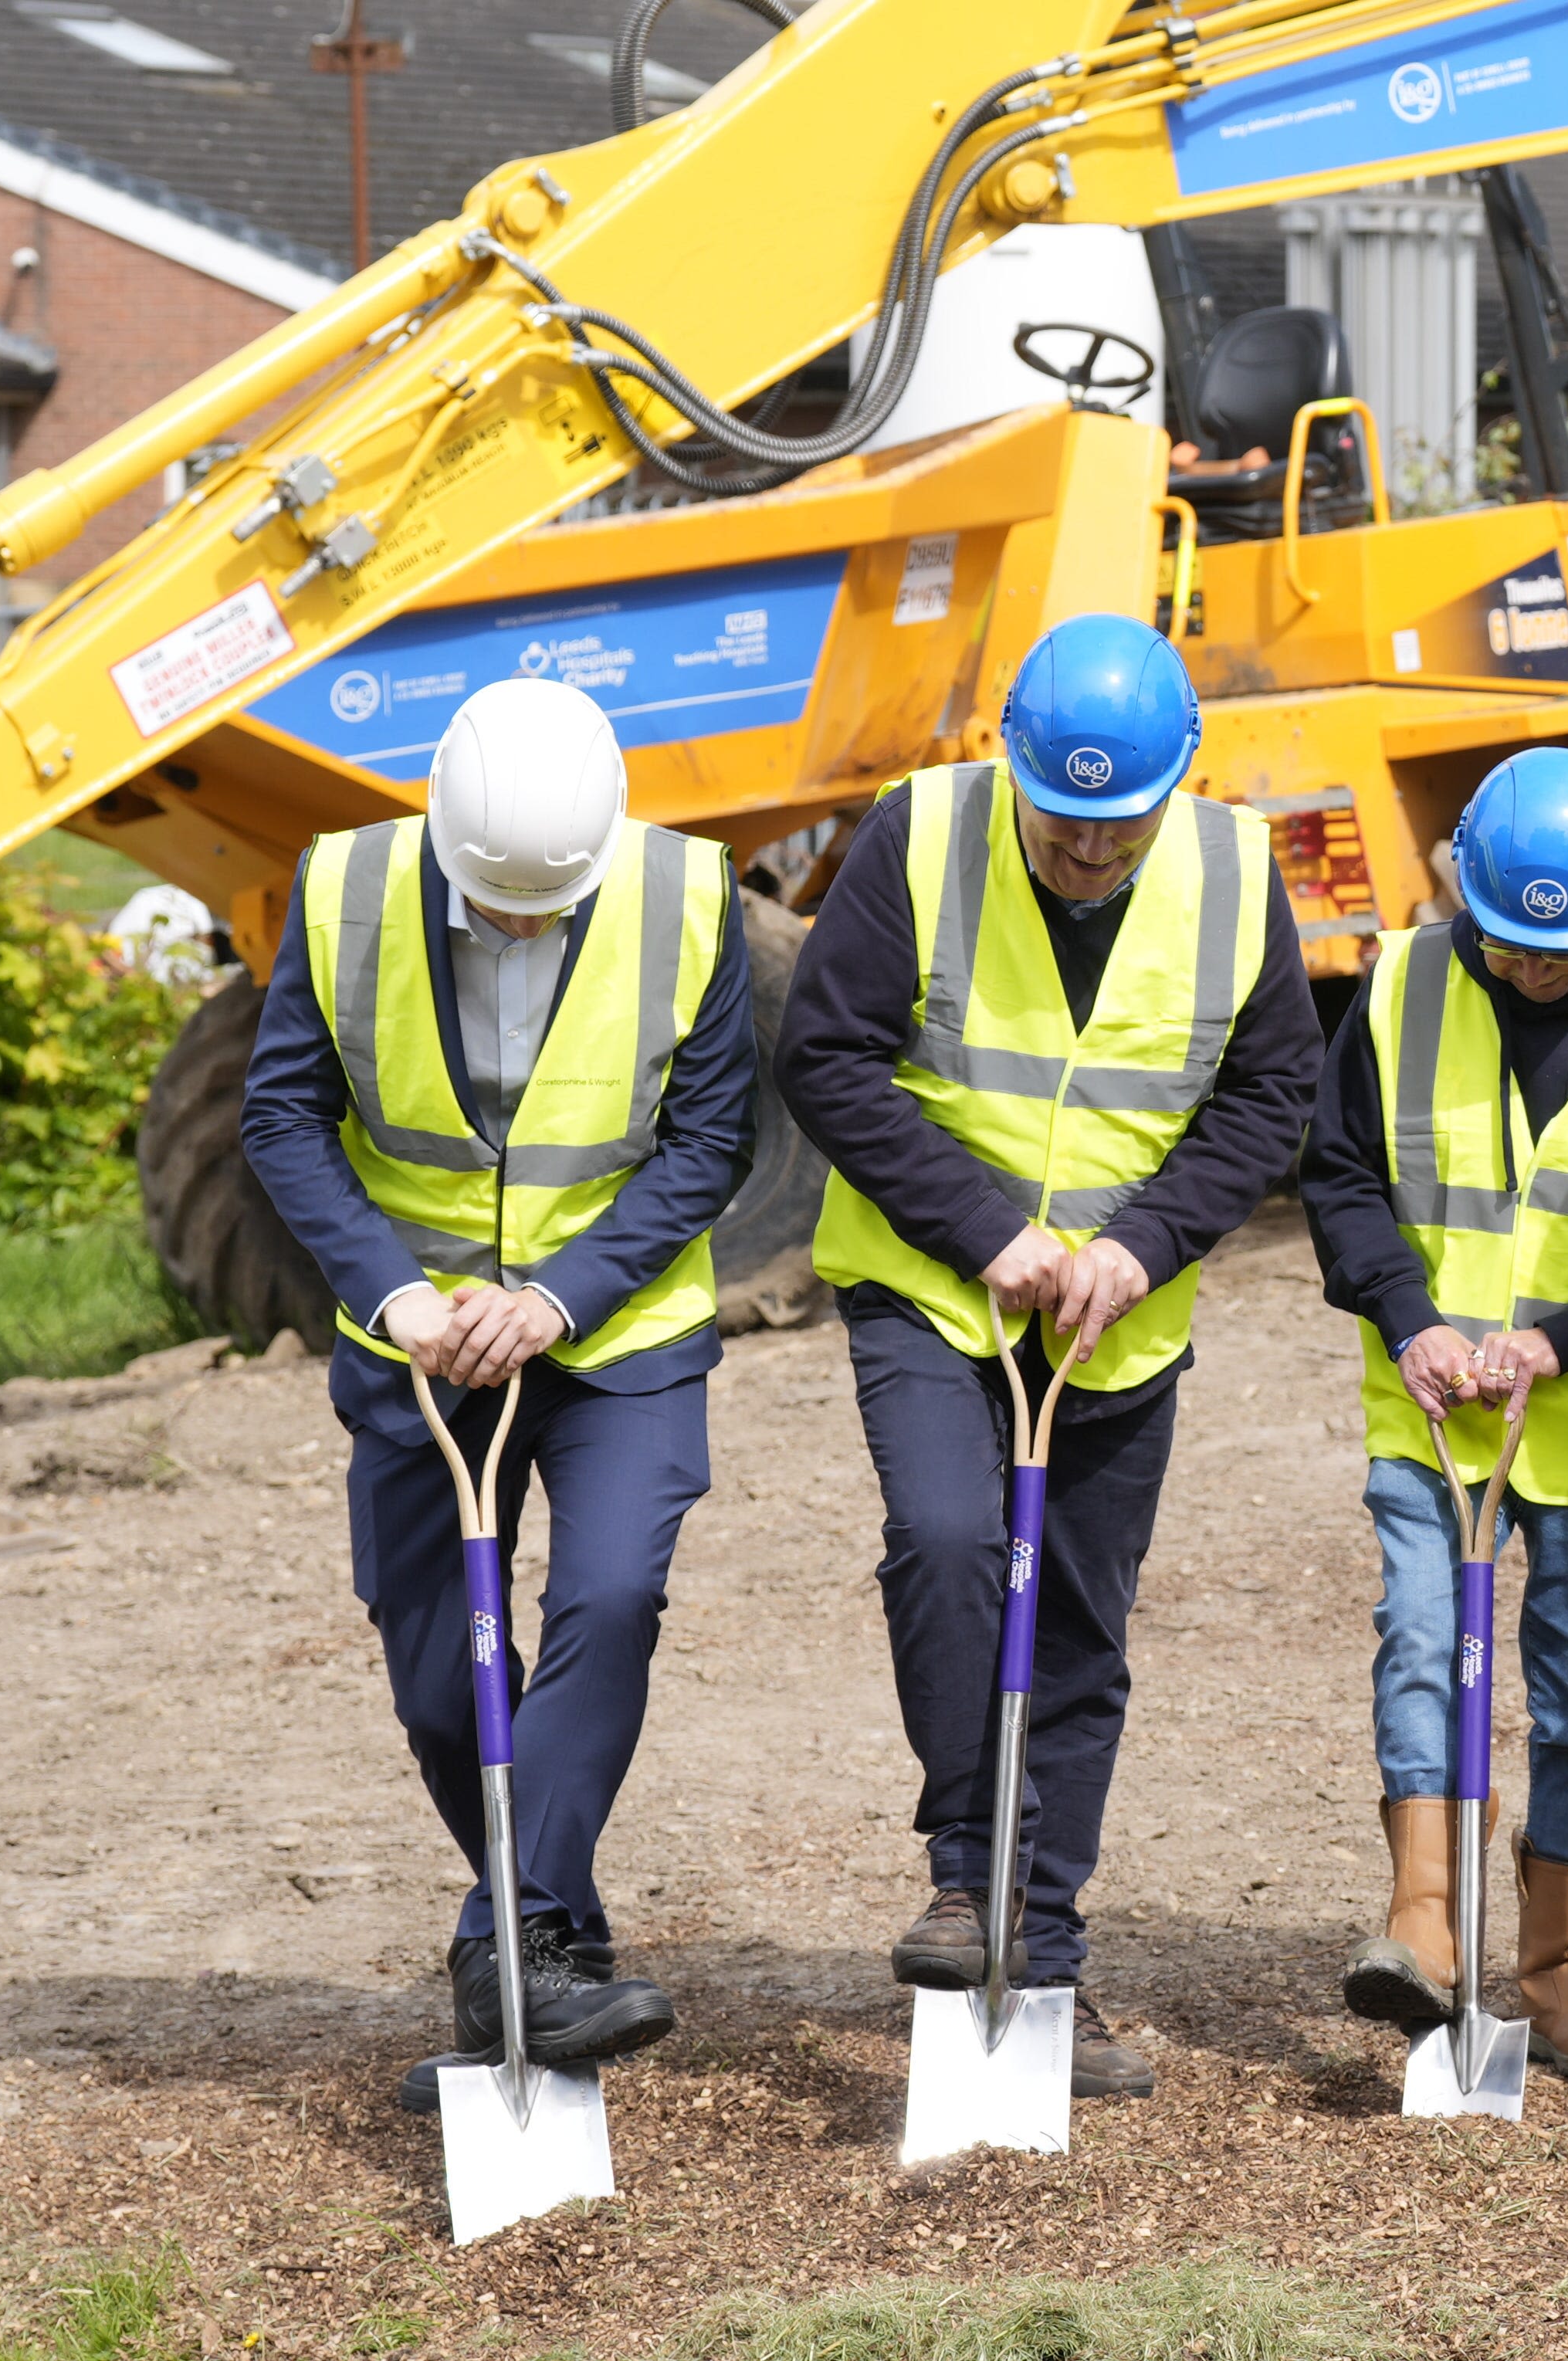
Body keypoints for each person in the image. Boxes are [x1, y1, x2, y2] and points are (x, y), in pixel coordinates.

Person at [776, 613, 1319, 2104]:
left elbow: (1277, 1091)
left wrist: (1144, 1243)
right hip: (935, 1290)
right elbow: (821, 1054)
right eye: (1063, 819)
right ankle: (968, 1877)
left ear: (1177, 781)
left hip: (1116, 1317)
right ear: (1009, 763)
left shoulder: (1229, 872)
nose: (1089, 850)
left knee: (1078, 1625)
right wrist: (982, 1230)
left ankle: (1049, 1958)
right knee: (947, 1541)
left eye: (1118, 822)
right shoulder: (920, 834)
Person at [238, 674, 755, 2113]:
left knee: (606, 1597)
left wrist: (560, 1296)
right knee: (430, 1662)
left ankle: (506, 1937)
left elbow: (711, 1139)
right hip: (417, 1332)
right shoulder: (342, 890)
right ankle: (549, 1934)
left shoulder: (686, 893)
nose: (521, 927)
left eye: (549, 907)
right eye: (495, 907)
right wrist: (396, 1292)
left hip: (612, 1330)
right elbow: (283, 1113)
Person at [1299, 748, 1568, 2081]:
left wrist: (1563, 1341)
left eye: (1563, 953)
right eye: (1508, 943)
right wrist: (1409, 1317)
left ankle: (1560, 1969)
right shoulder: (1406, 978)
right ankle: (1424, 1926)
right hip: (1432, 1403)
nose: (1530, 970)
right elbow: (1342, 1172)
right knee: (1421, 1640)